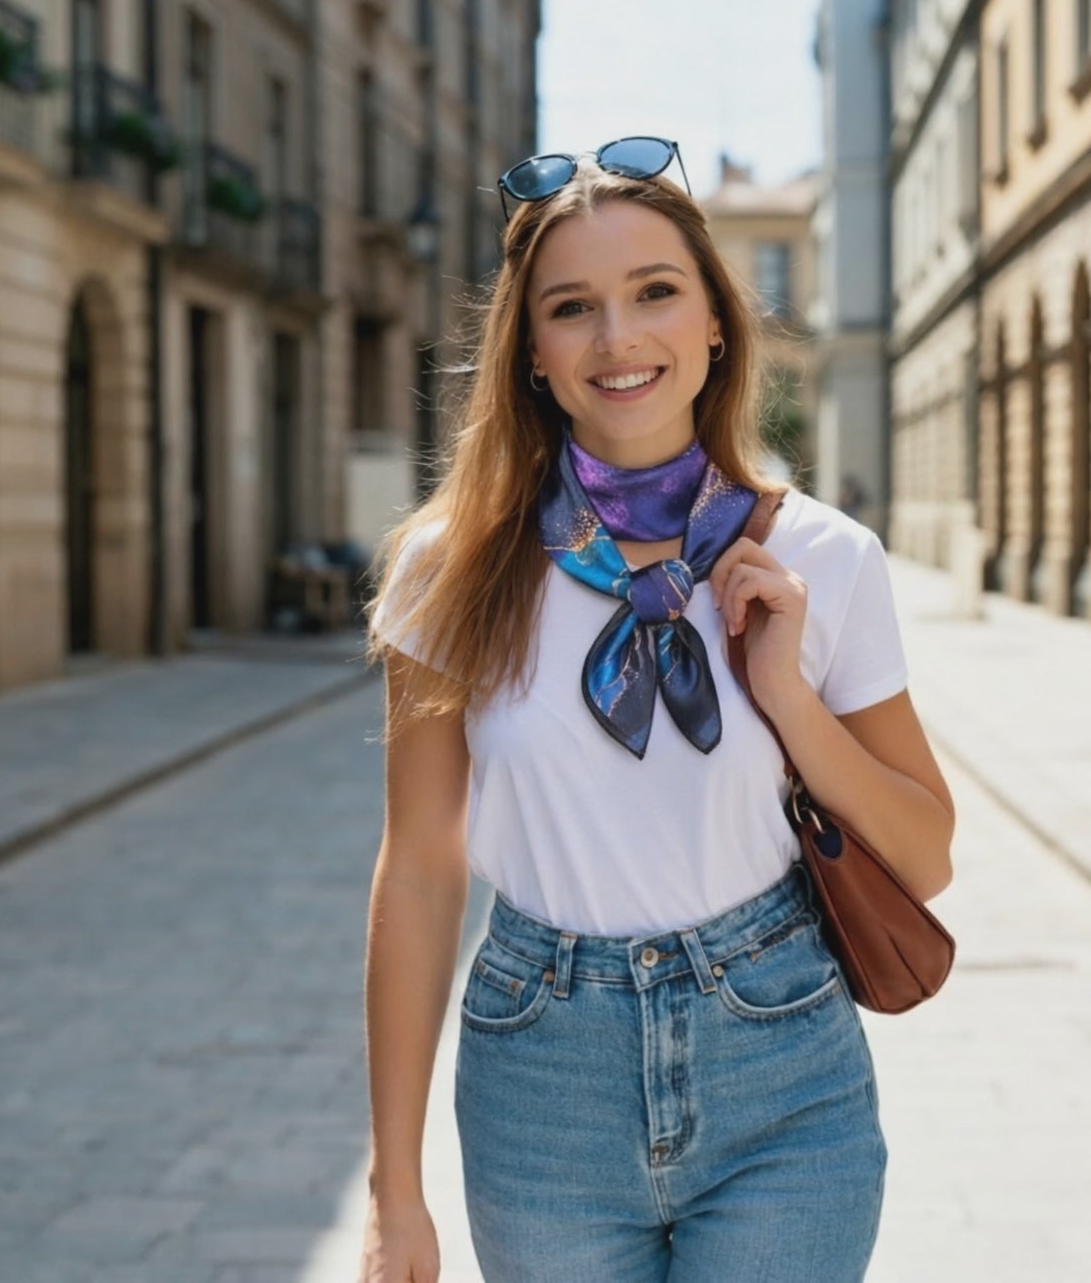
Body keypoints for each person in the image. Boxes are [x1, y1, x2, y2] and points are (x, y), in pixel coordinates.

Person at [359, 136, 955, 1283]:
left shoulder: (825, 556)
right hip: (543, 1084)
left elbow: (924, 856)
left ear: (716, 321)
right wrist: (394, 1194)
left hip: (781, 1068)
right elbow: (422, 870)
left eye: (655, 292)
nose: (617, 338)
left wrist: (785, 696)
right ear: (531, 353)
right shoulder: (450, 567)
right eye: (571, 308)